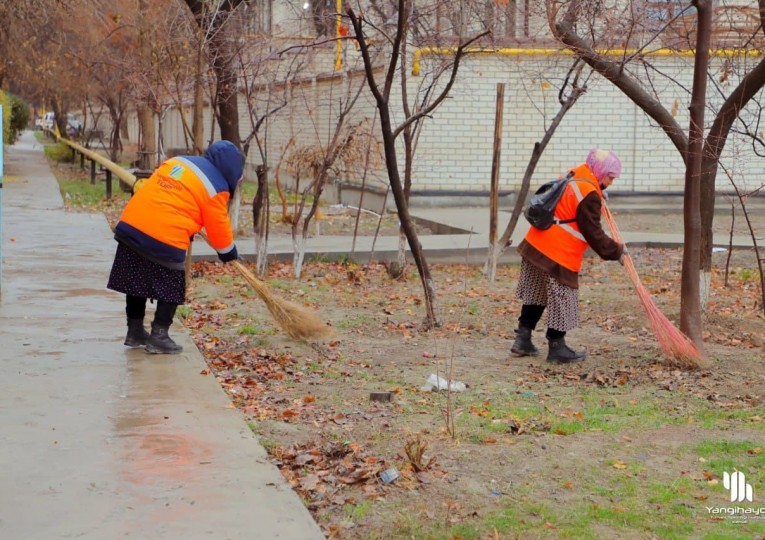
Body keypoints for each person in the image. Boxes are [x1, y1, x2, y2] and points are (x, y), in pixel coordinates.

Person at [107, 140, 244, 354]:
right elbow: (219, 230)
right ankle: (159, 336)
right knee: (171, 285)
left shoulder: (178, 162)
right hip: (163, 236)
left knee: (136, 281)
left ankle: (134, 331)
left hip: (132, 226)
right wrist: (229, 252)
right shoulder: (215, 187)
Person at [511, 148, 627, 363]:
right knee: (562, 299)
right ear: (600, 171)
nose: (611, 181)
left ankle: (523, 340)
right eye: (610, 176)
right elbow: (593, 233)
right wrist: (616, 250)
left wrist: (599, 192)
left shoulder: (576, 173)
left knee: (536, 293)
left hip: (535, 244)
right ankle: (557, 348)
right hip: (557, 252)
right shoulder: (589, 193)